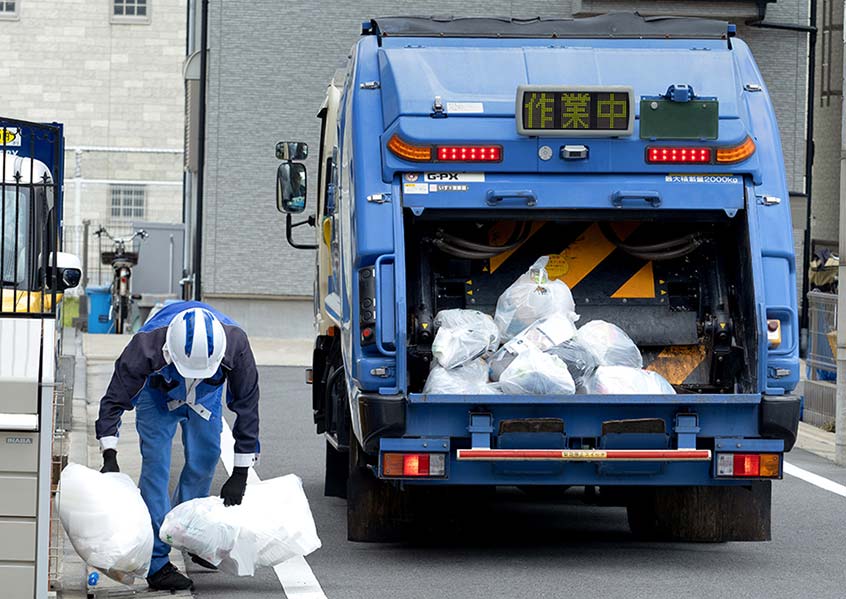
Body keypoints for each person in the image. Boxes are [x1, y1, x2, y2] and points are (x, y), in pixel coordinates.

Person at [95, 301, 260, 591]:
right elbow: (114, 400)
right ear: (169, 351)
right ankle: (157, 564)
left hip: (206, 395)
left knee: (206, 456)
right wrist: (109, 453)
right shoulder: (146, 345)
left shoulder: (235, 344)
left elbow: (247, 407)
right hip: (157, 395)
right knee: (156, 466)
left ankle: (189, 534)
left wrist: (241, 473)